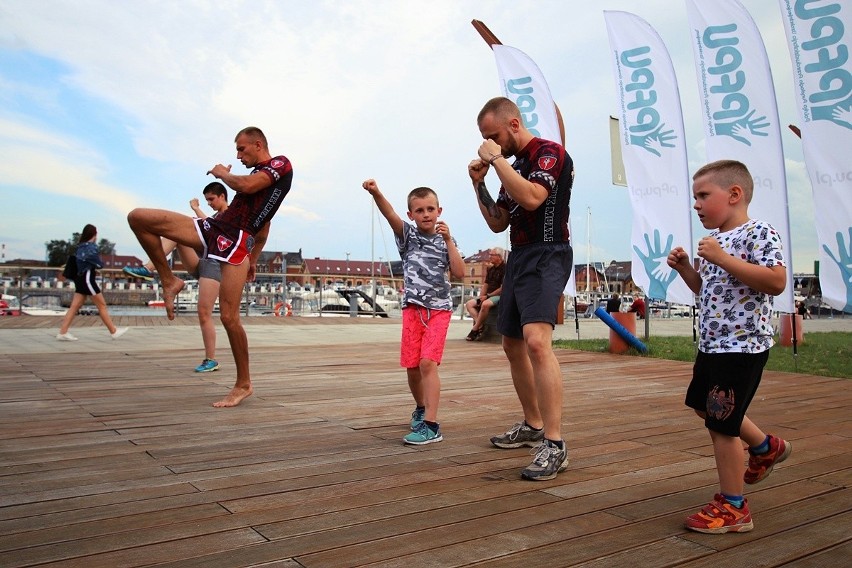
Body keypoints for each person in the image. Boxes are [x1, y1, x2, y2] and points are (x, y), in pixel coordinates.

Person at [667, 159, 791, 534]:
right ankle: (765, 446)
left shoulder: (759, 233)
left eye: (704, 195)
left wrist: (723, 258)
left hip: (742, 346)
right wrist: (688, 269)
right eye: (695, 197)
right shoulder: (716, 241)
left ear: (734, 194)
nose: (697, 204)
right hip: (712, 344)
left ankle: (734, 506)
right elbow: (710, 291)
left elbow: (776, 281)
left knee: (722, 426)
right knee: (706, 409)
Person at [127, 126, 292, 407]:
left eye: (241, 149)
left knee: (229, 317)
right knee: (138, 218)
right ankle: (168, 280)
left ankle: (243, 384)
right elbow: (265, 223)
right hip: (214, 227)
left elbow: (248, 193)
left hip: (237, 240)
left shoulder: (280, 164)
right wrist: (256, 257)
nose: (238, 155)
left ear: (258, 144)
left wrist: (223, 174)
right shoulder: (256, 176)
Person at [468, 96, 574, 481]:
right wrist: (479, 185)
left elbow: (532, 198)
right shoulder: (510, 167)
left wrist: (495, 162)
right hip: (520, 256)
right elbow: (498, 222)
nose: (488, 144)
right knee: (511, 342)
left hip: (549, 253)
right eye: (484, 139)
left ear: (513, 124)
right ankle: (532, 423)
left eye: (492, 136)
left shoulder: (549, 153)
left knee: (536, 341)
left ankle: (555, 442)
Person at [362, 178, 465, 445]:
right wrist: (376, 192)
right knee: (412, 366)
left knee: (428, 363)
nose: (426, 214)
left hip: (438, 310)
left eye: (430, 209)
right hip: (412, 310)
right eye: (419, 210)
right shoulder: (408, 236)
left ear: (439, 211)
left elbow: (460, 273)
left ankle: (431, 425)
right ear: (411, 214)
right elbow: (389, 214)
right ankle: (421, 408)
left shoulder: (446, 239)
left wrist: (448, 241)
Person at [122, 186, 229, 281]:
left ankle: (150, 269)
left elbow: (212, 229)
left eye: (211, 199)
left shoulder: (232, 216)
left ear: (222, 196)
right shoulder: (214, 217)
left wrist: (196, 209)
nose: (209, 203)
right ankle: (148, 268)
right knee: (176, 235)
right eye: (207, 200)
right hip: (200, 264)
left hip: (218, 269)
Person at [57, 224, 129, 341]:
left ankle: (63, 332)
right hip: (87, 279)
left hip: (80, 279)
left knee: (74, 307)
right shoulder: (91, 247)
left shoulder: (80, 247)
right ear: (94, 234)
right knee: (101, 305)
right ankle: (113, 331)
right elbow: (100, 264)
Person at [464, 248, 505, 341]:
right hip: (488, 295)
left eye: (492, 255)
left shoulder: (505, 268)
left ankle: (475, 329)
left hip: (499, 296)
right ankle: (481, 326)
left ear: (499, 257)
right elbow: (486, 285)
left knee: (486, 304)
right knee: (469, 304)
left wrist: (487, 296)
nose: (489, 257)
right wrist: (481, 297)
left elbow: (502, 288)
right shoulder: (491, 269)